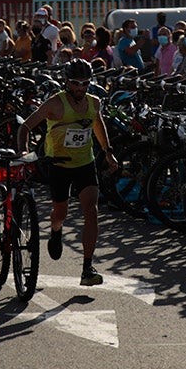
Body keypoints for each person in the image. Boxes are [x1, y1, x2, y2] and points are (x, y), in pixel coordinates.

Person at [16, 59, 118, 286]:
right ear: (67, 82)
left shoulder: (94, 102)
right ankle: (55, 230)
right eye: (75, 83)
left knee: (91, 211)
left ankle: (87, 268)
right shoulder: (55, 104)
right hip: (58, 164)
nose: (80, 88)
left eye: (85, 83)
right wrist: (23, 152)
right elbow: (25, 127)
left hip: (85, 164)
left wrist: (108, 152)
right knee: (60, 212)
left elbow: (98, 125)